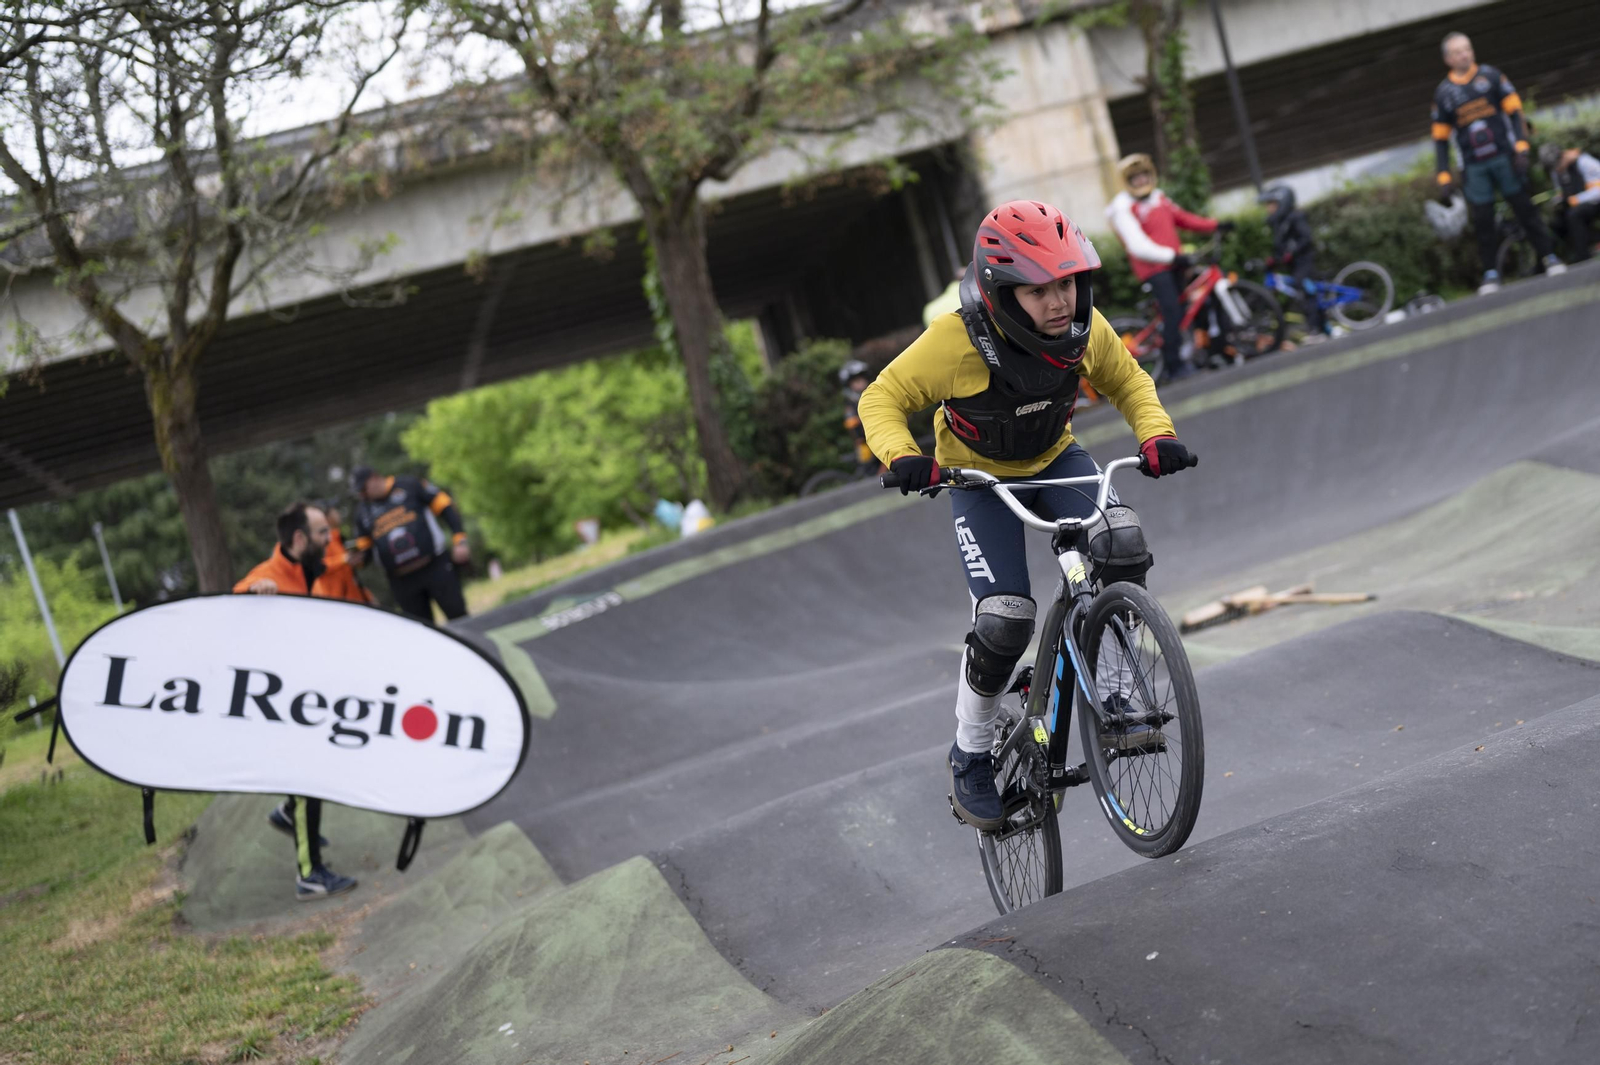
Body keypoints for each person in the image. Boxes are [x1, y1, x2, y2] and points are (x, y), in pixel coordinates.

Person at [858, 199, 1197, 830]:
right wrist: (903, 455)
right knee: (1005, 619)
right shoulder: (957, 341)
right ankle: (971, 751)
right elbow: (882, 397)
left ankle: (1115, 686)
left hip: (1056, 458)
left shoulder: (1084, 330)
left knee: (1122, 540)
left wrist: (1156, 434)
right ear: (1001, 294)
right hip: (977, 479)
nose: (1059, 302)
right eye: (1038, 291)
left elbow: (1129, 381)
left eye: (1066, 283)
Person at [233, 502, 359, 902]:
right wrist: (253, 593)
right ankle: (310, 875)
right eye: (323, 533)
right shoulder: (269, 576)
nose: (330, 539)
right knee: (307, 780)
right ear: (300, 538)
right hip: (277, 703)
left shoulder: (308, 572)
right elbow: (235, 598)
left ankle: (288, 812)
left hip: (304, 696)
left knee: (317, 773)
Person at [1430, 32, 1565, 294]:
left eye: (1467, 49)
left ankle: (1549, 257)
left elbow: (1515, 113)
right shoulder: (1443, 93)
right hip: (1474, 166)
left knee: (1525, 209)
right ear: (1448, 59)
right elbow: (1440, 140)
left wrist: (1521, 147)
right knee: (1483, 221)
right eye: (1458, 51)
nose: (1465, 55)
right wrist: (1443, 175)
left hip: (1505, 157)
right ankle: (1491, 274)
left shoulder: (1491, 76)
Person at [1105, 153, 1231, 381]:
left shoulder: (1159, 198)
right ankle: (1174, 366)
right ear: (1127, 182)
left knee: (1188, 309)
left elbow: (1184, 219)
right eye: (1135, 177)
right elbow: (1137, 246)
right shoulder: (1123, 207)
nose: (1141, 180)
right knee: (1172, 313)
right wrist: (1173, 257)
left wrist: (1216, 225)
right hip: (1155, 270)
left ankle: (1207, 351)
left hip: (1173, 264)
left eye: (1144, 175)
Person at [349, 466, 470, 623]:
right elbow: (364, 550)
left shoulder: (410, 485)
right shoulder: (362, 512)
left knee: (459, 617)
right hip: (402, 581)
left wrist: (460, 540)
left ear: (374, 478)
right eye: (359, 492)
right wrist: (357, 560)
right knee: (420, 630)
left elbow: (446, 507)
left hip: (435, 566)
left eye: (363, 489)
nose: (362, 495)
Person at [1257, 184, 1325, 338]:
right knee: (1296, 290)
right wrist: (1273, 260)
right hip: (1293, 264)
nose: (1268, 208)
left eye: (1271, 204)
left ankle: (1316, 329)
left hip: (1303, 261)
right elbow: (1280, 247)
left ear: (1282, 202)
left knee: (1304, 289)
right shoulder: (1279, 223)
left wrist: (1292, 251)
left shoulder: (1295, 217)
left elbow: (1306, 238)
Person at [1541, 142, 1600, 264]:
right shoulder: (1557, 172)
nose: (1556, 169)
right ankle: (1553, 258)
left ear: (1562, 156)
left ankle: (1582, 255)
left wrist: (1577, 200)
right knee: (1556, 223)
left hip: (1594, 201)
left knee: (1574, 215)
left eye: (1557, 165)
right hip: (1576, 205)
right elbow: (1561, 192)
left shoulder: (1584, 161)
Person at [318, 501, 376, 605]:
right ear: (327, 517)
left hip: (355, 600)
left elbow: (350, 574)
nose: (338, 514)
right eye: (334, 511)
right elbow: (318, 566)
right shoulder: (322, 542)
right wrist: (343, 559)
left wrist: (366, 595)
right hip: (337, 604)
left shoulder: (338, 538)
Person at [838, 359, 877, 475]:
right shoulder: (851, 403)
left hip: (882, 434)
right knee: (871, 469)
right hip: (866, 442)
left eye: (862, 379)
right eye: (856, 381)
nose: (860, 383)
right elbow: (852, 425)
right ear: (849, 385)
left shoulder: (874, 394)